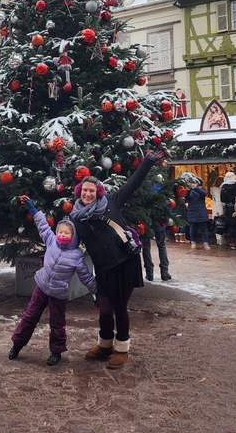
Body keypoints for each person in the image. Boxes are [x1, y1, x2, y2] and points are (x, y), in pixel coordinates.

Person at [70, 151, 159, 370]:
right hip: (104, 269)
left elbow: (132, 184)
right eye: (84, 190)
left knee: (120, 307)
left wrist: (147, 162)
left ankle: (121, 349)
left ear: (98, 192)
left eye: (91, 190)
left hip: (125, 263)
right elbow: (68, 243)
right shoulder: (76, 217)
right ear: (79, 192)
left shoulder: (112, 202)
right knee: (104, 308)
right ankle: (105, 345)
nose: (88, 194)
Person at [9, 196, 96, 366]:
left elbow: (86, 276)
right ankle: (17, 345)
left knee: (57, 323)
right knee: (29, 316)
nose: (62, 235)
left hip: (58, 294)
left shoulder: (77, 256)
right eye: (60, 232)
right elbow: (42, 224)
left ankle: (56, 352)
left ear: (73, 236)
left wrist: (96, 291)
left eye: (66, 233)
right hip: (41, 287)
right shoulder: (51, 241)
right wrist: (33, 209)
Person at [185, 180, 210, 250]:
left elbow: (203, 194)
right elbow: (186, 197)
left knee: (204, 229)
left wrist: (195, 188)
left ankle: (206, 243)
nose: (193, 184)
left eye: (194, 183)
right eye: (192, 183)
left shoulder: (201, 189)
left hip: (201, 211)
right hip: (192, 211)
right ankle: (193, 243)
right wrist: (189, 190)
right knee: (192, 228)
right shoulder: (189, 191)